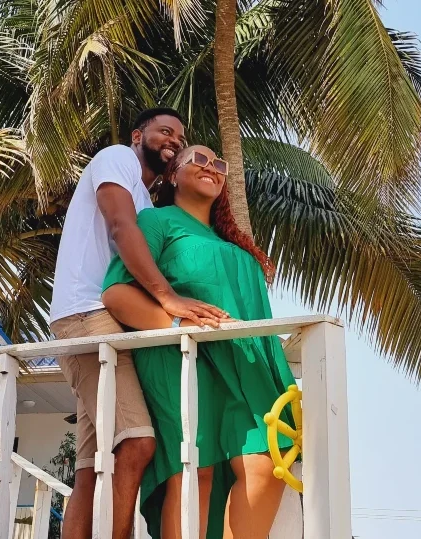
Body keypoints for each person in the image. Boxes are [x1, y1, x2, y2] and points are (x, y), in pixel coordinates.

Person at [49, 110, 229, 539]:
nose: (173, 140)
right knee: (138, 442)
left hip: (112, 323)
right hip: (87, 317)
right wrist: (169, 298)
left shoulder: (149, 203)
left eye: (179, 137)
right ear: (138, 135)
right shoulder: (117, 159)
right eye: (165, 131)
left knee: (92, 469)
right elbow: (119, 224)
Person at [102, 145, 297, 539]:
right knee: (196, 470)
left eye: (218, 164)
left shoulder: (234, 242)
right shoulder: (157, 222)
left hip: (246, 360)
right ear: (173, 174)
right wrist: (178, 321)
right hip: (180, 355)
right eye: (199, 160)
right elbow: (116, 295)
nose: (212, 168)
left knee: (267, 463)